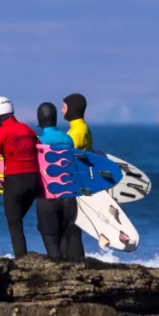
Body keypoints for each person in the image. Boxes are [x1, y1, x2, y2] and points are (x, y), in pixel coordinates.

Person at [0, 97, 41, 258]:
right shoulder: (28, 130)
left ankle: (21, 261)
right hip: (34, 182)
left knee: (14, 223)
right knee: (17, 218)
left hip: (15, 181)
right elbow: (42, 153)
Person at [34, 102, 77, 260]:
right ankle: (68, 274)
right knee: (63, 239)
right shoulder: (68, 139)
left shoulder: (39, 141)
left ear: (39, 120)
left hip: (48, 196)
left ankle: (60, 278)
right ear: (56, 119)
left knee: (51, 241)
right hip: (69, 196)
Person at [61, 93, 93, 259]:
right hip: (78, 182)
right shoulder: (78, 128)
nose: (61, 110)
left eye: (64, 107)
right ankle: (74, 261)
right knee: (72, 226)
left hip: (74, 184)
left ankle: (75, 262)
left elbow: (66, 158)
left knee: (70, 226)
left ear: (72, 109)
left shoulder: (77, 132)